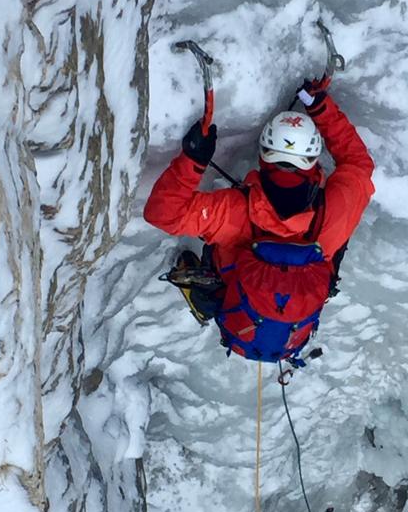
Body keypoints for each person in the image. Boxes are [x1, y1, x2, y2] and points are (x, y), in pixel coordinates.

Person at [143, 76, 375, 365]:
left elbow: (163, 212)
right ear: (313, 160)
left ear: (264, 156)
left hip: (238, 307)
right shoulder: (336, 211)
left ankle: (207, 303)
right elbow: (359, 165)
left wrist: (193, 160)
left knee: (221, 268)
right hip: (278, 331)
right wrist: (320, 108)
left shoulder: (233, 212)